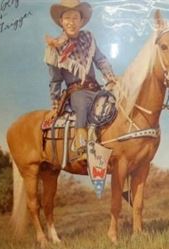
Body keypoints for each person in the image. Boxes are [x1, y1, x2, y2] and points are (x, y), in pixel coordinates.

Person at [44, 0, 116, 160]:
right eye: (67, 18)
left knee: (111, 102)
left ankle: (111, 143)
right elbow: (55, 80)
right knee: (82, 107)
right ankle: (81, 147)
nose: (71, 22)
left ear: (81, 21)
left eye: (75, 18)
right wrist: (55, 106)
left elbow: (100, 59)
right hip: (75, 92)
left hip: (95, 88)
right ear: (61, 22)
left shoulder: (88, 39)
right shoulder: (55, 49)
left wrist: (109, 75)